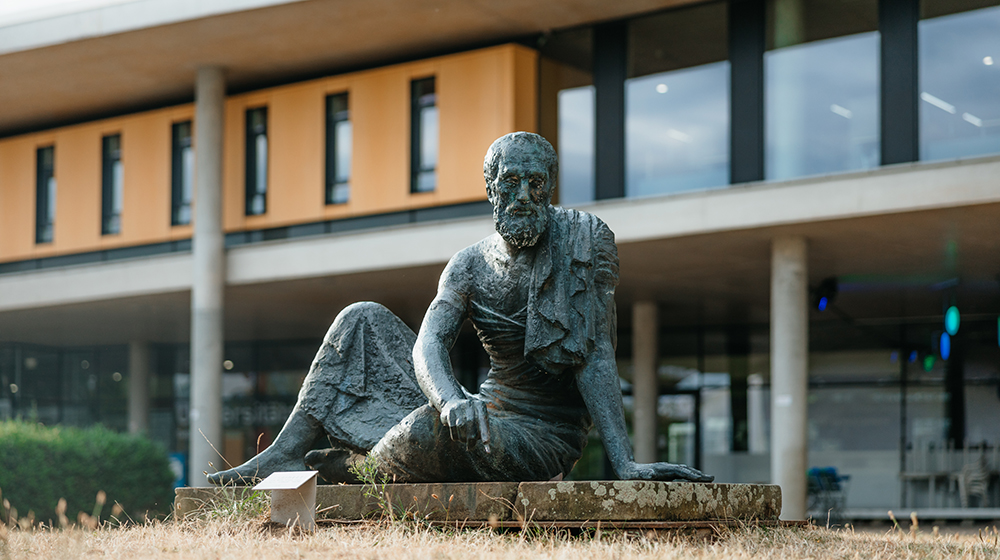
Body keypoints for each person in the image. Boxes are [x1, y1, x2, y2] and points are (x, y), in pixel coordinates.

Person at [208, 132, 712, 485]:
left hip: (539, 434)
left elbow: (597, 354)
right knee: (359, 318)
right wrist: (450, 399)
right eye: (510, 183)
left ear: (551, 186)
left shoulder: (584, 243)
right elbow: (429, 341)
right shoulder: (469, 264)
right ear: (491, 189)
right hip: (476, 412)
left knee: (427, 430)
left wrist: (623, 463)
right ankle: (286, 452)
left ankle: (355, 470)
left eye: (536, 184)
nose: (522, 197)